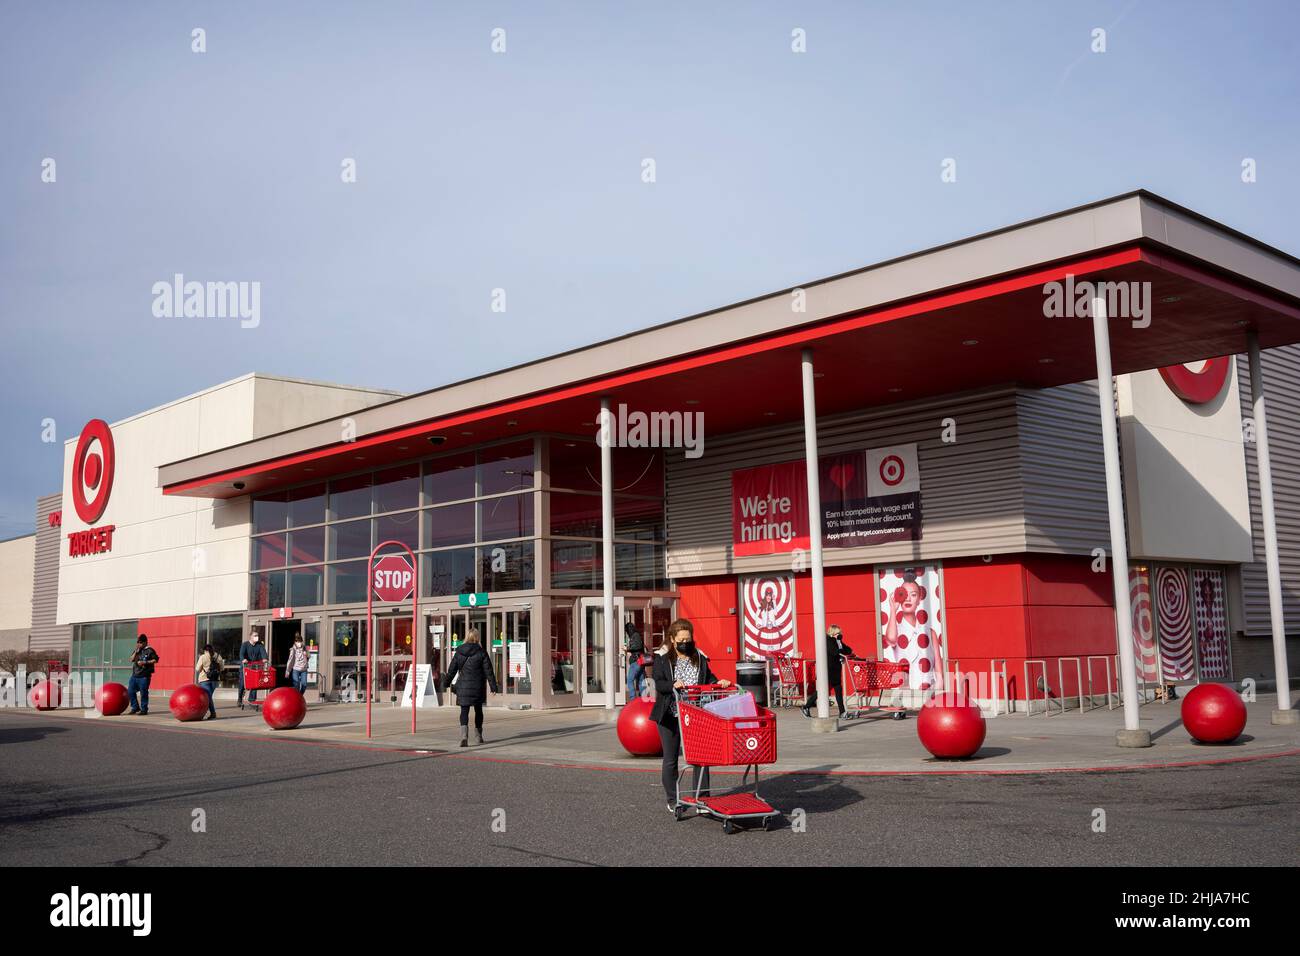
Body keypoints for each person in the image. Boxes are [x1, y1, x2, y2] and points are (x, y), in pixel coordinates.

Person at [650, 619, 731, 814]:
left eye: (688, 639)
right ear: (672, 639)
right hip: (670, 714)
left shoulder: (699, 657)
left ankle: (702, 799)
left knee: (701, 758)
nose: (685, 643)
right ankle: (673, 799)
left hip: (695, 713)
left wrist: (718, 682)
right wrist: (672, 685)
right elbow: (658, 682)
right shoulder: (662, 658)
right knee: (671, 758)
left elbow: (707, 677)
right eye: (681, 639)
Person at [443, 628, 499, 747]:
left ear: (467, 637)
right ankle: (478, 737)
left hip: (463, 686)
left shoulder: (459, 652)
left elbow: (451, 669)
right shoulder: (481, 652)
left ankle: (464, 737)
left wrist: (446, 683)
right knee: (478, 710)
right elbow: (489, 671)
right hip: (477, 686)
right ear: (477, 638)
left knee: (464, 711)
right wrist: (493, 687)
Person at [802, 625, 854, 718]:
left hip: (836, 670)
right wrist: (840, 646)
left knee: (838, 691)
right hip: (828, 670)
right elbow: (834, 652)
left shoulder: (838, 641)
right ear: (832, 633)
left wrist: (840, 643)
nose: (839, 635)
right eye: (838, 633)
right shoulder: (828, 641)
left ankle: (842, 712)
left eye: (840, 633)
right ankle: (806, 706)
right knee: (822, 691)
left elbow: (848, 650)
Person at [127, 634, 159, 715]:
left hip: (144, 676)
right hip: (135, 675)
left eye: (140, 642)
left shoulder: (150, 650)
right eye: (137, 642)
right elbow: (130, 659)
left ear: (145, 642)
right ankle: (135, 707)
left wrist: (145, 662)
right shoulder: (137, 650)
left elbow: (155, 660)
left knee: (143, 693)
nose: (138, 644)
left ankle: (144, 709)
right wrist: (136, 652)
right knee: (130, 691)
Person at [238, 630, 268, 709]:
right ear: (250, 637)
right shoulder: (245, 645)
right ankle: (239, 699)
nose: (256, 637)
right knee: (242, 684)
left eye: (257, 635)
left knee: (255, 684)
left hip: (255, 667)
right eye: (255, 635)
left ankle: (252, 700)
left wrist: (265, 658)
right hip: (245, 667)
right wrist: (243, 659)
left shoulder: (259, 645)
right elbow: (241, 654)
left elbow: (263, 653)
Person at [195, 643, 224, 719]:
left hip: (205, 680)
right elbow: (222, 668)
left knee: (207, 698)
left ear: (205, 650)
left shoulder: (203, 657)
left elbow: (197, 669)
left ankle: (207, 714)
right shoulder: (218, 656)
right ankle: (210, 713)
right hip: (215, 680)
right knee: (208, 697)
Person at [624, 621, 646, 699]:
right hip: (640, 661)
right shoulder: (637, 635)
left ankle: (633, 699)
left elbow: (637, 646)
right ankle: (643, 698)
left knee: (630, 680)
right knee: (641, 680)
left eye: (626, 631)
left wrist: (627, 649)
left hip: (636, 661)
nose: (626, 633)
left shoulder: (635, 635)